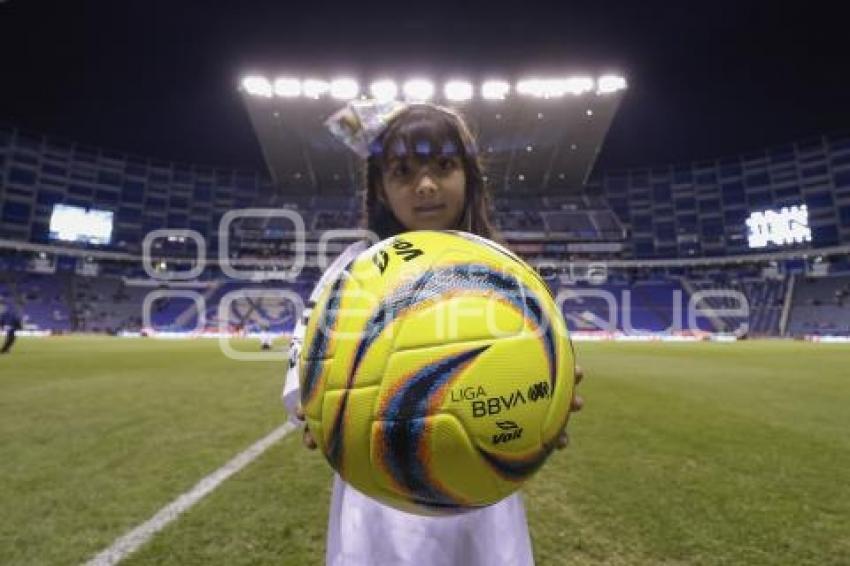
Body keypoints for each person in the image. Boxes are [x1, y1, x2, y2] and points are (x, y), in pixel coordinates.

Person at [282, 102, 585, 566]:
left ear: (469, 176)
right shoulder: (353, 272)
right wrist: (313, 407)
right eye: (403, 171)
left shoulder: (504, 272)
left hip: (483, 500)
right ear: (380, 189)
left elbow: (538, 365)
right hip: (379, 508)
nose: (425, 185)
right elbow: (300, 372)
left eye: (443, 166)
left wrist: (547, 400)